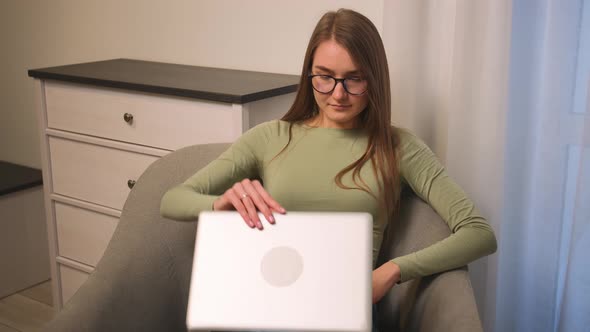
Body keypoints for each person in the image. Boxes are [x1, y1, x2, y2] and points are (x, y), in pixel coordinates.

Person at [160, 8, 497, 331]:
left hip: (344, 312)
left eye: (354, 79)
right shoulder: (270, 137)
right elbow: (172, 199)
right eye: (325, 77)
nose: (338, 94)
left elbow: (478, 233)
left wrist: (391, 271)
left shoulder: (398, 146)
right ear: (309, 74)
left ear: (375, 79)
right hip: (263, 306)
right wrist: (219, 203)